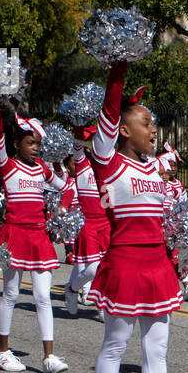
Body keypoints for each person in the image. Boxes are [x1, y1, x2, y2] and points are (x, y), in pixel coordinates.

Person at [87, 62, 188, 373]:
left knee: (157, 348)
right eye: (145, 123)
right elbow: (109, 115)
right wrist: (118, 69)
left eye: (153, 124)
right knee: (116, 343)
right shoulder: (109, 162)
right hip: (125, 261)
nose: (153, 130)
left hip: (156, 264)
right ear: (124, 130)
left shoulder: (153, 168)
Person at [0, 105, 68, 373]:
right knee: (10, 293)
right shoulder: (7, 166)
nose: (35, 148)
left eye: (38, 144)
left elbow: (67, 187)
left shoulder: (43, 170)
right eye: (30, 143)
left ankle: (49, 356)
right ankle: (1, 350)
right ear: (16, 144)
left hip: (38, 236)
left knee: (42, 296)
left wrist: (62, 209)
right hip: (15, 234)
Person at [64, 126, 109, 314]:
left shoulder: (109, 164)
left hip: (107, 223)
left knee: (108, 267)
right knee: (92, 269)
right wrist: (79, 123)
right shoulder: (82, 164)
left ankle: (102, 307)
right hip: (88, 223)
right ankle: (72, 289)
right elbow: (77, 143)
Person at [157, 143, 188, 299]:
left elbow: (184, 206)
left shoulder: (178, 186)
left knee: (179, 254)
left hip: (174, 228)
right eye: (169, 166)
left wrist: (184, 223)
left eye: (174, 166)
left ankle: (187, 285)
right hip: (158, 227)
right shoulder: (156, 184)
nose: (172, 169)